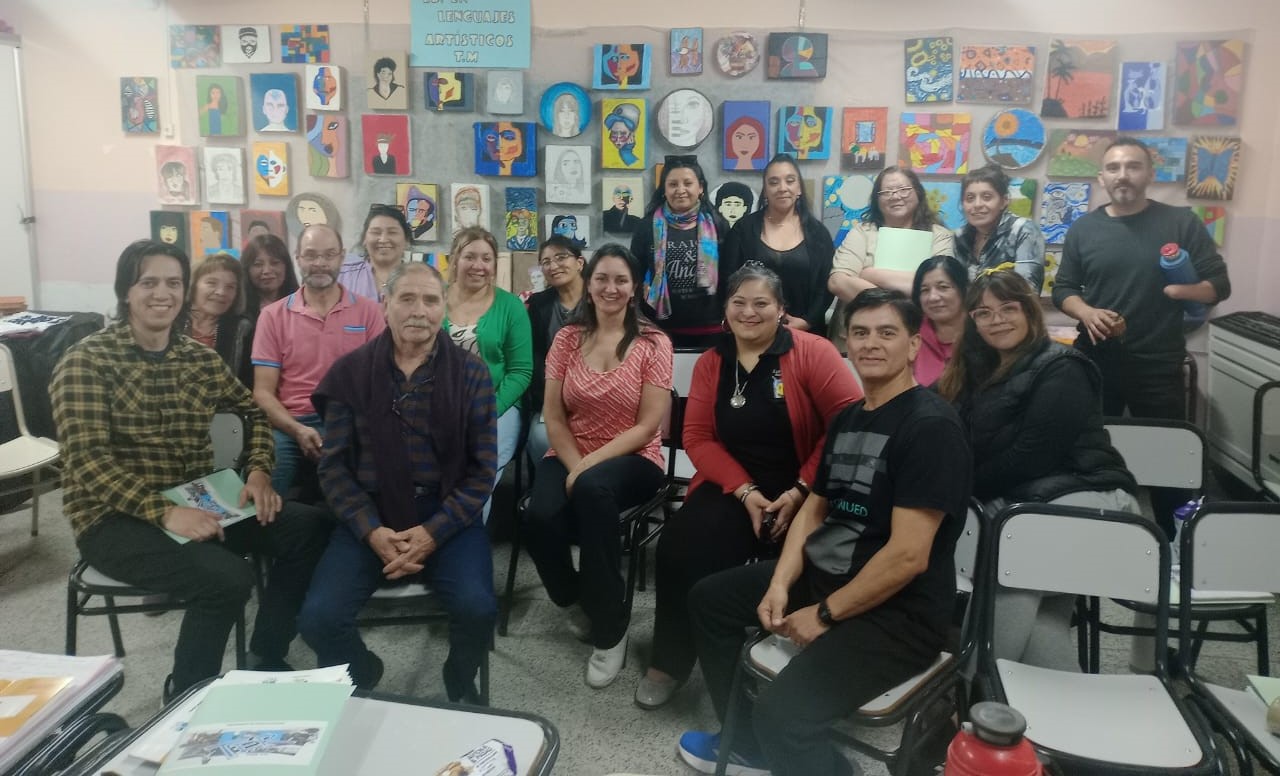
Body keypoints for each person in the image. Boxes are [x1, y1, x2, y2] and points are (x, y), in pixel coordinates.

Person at [678, 288, 971, 776]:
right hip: (829, 578)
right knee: (710, 599)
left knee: (784, 714)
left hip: (899, 615)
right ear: (845, 342)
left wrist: (826, 614)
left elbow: (907, 556)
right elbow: (813, 511)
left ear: (914, 345)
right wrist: (780, 585)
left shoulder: (931, 428)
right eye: (859, 332)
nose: (870, 344)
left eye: (886, 333)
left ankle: (796, 750)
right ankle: (754, 746)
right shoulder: (851, 417)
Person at [50, 239, 331, 700]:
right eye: (149, 282)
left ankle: (266, 653)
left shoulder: (198, 359)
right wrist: (163, 512)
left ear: (184, 291)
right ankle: (185, 694)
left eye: (173, 283)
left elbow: (253, 412)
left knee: (311, 527)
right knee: (227, 579)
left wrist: (259, 470)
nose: (163, 293)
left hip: (197, 497)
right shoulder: (86, 361)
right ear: (126, 292)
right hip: (114, 519)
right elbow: (87, 462)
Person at [636, 264, 860, 710]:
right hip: (735, 487)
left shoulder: (812, 352)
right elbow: (697, 437)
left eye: (761, 303)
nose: (749, 312)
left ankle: (798, 673)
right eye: (739, 302)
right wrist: (744, 491)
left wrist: (800, 490)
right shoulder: (712, 362)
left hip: (808, 492)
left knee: (814, 565)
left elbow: (848, 423)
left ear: (781, 310)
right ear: (726, 309)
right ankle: (671, 661)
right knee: (678, 547)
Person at [300, 263, 498, 698]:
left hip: (445, 513)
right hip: (370, 514)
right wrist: (371, 532)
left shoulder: (471, 375)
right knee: (318, 618)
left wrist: (432, 533)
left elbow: (482, 472)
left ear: (443, 308)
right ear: (384, 304)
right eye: (407, 298)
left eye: (430, 300)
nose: (419, 311)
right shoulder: (351, 373)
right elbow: (332, 468)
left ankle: (459, 678)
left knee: (479, 609)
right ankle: (362, 670)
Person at [938, 269, 1138, 669]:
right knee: (1044, 616)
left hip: (1096, 500)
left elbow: (1031, 457)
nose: (997, 320)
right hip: (1034, 504)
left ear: (1029, 310)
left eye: (1007, 308)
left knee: (1010, 569)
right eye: (983, 313)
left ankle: (976, 690)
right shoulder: (979, 371)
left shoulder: (1063, 366)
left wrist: (958, 491)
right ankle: (1057, 716)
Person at [1053, 137, 1230, 539]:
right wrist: (1087, 312)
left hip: (1158, 361)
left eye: (1133, 166)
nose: (1123, 175)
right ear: (1102, 177)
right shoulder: (1085, 227)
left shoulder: (1180, 222)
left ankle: (1177, 541)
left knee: (1169, 457)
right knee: (1093, 453)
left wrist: (1181, 291)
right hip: (1095, 360)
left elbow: (1219, 285)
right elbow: (1064, 288)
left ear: (1150, 174)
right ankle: (1099, 534)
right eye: (1114, 168)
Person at [523, 245, 673, 689]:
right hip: (571, 451)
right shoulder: (567, 339)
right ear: (589, 283)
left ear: (634, 288)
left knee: (593, 492)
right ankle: (575, 598)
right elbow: (553, 415)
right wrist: (575, 465)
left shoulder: (653, 342)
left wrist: (586, 469)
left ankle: (611, 629)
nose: (611, 288)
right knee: (538, 517)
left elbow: (648, 425)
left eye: (621, 280)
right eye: (603, 278)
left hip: (634, 459)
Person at [252, 224, 386, 499]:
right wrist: (298, 430)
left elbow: (381, 382)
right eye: (311, 255)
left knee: (367, 493)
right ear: (298, 257)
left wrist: (347, 429)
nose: (320, 264)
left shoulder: (369, 313)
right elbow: (263, 392)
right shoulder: (273, 316)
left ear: (342, 257)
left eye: (329, 255)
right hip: (289, 424)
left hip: (349, 421)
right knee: (263, 492)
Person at [443, 227, 533, 523]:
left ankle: (467, 547)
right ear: (454, 260)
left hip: (498, 405)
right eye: (469, 256)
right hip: (441, 405)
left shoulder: (511, 307)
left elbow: (521, 372)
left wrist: (487, 410)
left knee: (478, 470)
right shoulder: (433, 300)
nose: (478, 266)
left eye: (486, 258)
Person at [827, 167, 955, 341]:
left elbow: (940, 287)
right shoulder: (862, 232)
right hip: (860, 335)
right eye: (886, 191)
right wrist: (903, 305)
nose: (895, 196)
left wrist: (873, 274)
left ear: (918, 193)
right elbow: (838, 281)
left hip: (919, 336)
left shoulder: (940, 236)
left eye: (903, 190)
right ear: (877, 199)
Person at [722, 154, 834, 337]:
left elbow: (825, 285)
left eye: (790, 181)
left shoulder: (818, 233)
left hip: (806, 334)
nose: (782, 188)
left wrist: (807, 321)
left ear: (799, 188)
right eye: (774, 182)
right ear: (765, 190)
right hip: (752, 330)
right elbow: (728, 282)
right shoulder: (743, 230)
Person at [632, 156, 732, 349]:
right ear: (664, 189)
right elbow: (634, 274)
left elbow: (730, 275)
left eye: (688, 183)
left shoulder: (718, 224)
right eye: (673, 184)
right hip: (660, 329)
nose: (680, 190)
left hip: (711, 329)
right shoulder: (646, 226)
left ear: (700, 187)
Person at [524, 235, 586, 461]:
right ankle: (549, 489)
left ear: (579, 263)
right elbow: (536, 358)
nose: (553, 266)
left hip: (595, 396)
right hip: (553, 397)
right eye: (546, 261)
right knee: (541, 437)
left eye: (561, 257)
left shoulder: (600, 298)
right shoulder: (538, 304)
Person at [953, 164, 1045, 292]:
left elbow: (1028, 291)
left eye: (986, 197)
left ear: (1003, 201)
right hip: (971, 311)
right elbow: (957, 288)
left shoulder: (1023, 230)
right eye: (970, 198)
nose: (977, 204)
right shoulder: (960, 236)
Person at [186, 252, 254, 387]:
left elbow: (248, 383)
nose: (221, 292)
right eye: (212, 283)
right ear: (194, 285)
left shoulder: (243, 329)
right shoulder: (171, 321)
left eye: (230, 287)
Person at [910, 255, 969, 387]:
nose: (933, 297)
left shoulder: (983, 332)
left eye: (943, 287)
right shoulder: (911, 335)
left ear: (963, 289)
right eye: (925, 290)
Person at [339, 204, 411, 302]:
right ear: (364, 239)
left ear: (406, 240)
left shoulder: (420, 281)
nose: (383, 239)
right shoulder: (341, 276)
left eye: (392, 232)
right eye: (376, 232)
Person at [242, 234, 300, 321]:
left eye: (275, 263)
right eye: (258, 264)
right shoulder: (238, 312)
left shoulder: (302, 306)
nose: (266, 271)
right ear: (247, 269)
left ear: (286, 266)